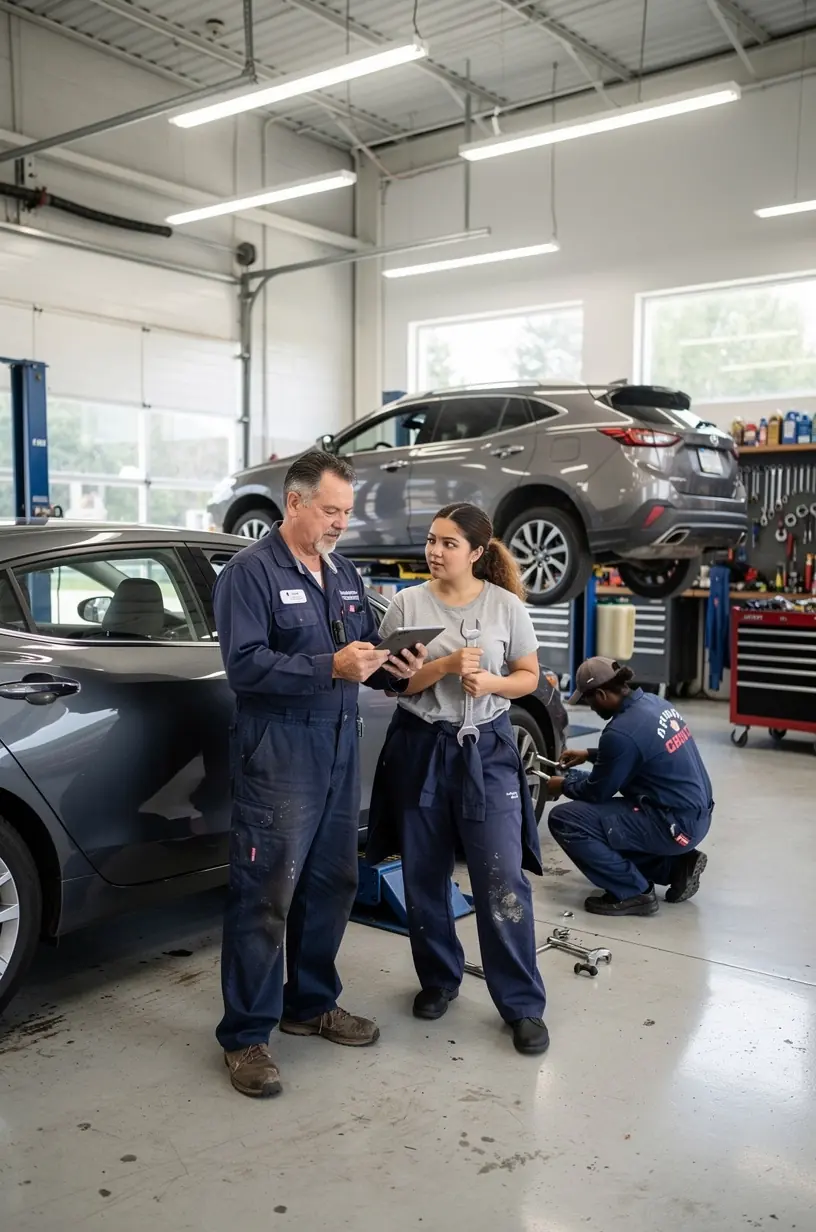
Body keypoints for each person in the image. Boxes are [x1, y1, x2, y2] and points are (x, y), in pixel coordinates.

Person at [213, 451, 424, 1098]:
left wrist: (398, 666)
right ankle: (247, 1036)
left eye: (347, 513)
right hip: (278, 752)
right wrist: (330, 667)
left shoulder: (346, 573)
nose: (340, 523)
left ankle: (310, 1004)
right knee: (266, 892)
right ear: (295, 502)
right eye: (330, 511)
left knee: (334, 882)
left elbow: (360, 651)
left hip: (339, 745)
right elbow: (244, 666)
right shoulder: (248, 574)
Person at [366, 503, 550, 1057]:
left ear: (476, 552)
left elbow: (530, 677)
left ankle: (521, 1004)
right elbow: (391, 682)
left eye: (448, 543)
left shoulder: (506, 606)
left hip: (486, 750)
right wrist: (443, 668)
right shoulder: (406, 603)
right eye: (431, 540)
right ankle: (439, 979)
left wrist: (492, 682)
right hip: (421, 745)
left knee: (501, 878)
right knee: (424, 874)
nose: (435, 550)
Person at [546, 657, 713, 917]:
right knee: (605, 817)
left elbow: (597, 792)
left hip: (674, 826)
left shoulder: (620, 732)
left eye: (589, 701)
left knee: (568, 819)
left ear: (601, 694)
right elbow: (640, 751)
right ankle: (675, 868)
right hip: (694, 816)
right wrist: (590, 754)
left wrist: (562, 785)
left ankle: (633, 892)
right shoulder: (655, 704)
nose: (590, 707)